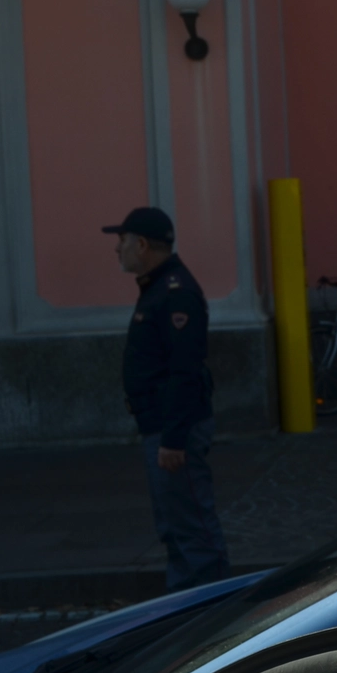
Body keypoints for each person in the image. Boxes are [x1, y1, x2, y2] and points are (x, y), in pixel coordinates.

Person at [103, 206, 230, 591]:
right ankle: (187, 614)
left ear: (141, 244)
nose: (117, 250)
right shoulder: (157, 288)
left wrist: (174, 438)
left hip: (174, 431)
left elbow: (184, 371)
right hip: (160, 427)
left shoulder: (175, 293)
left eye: (121, 241)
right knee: (175, 527)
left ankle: (212, 618)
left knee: (192, 528)